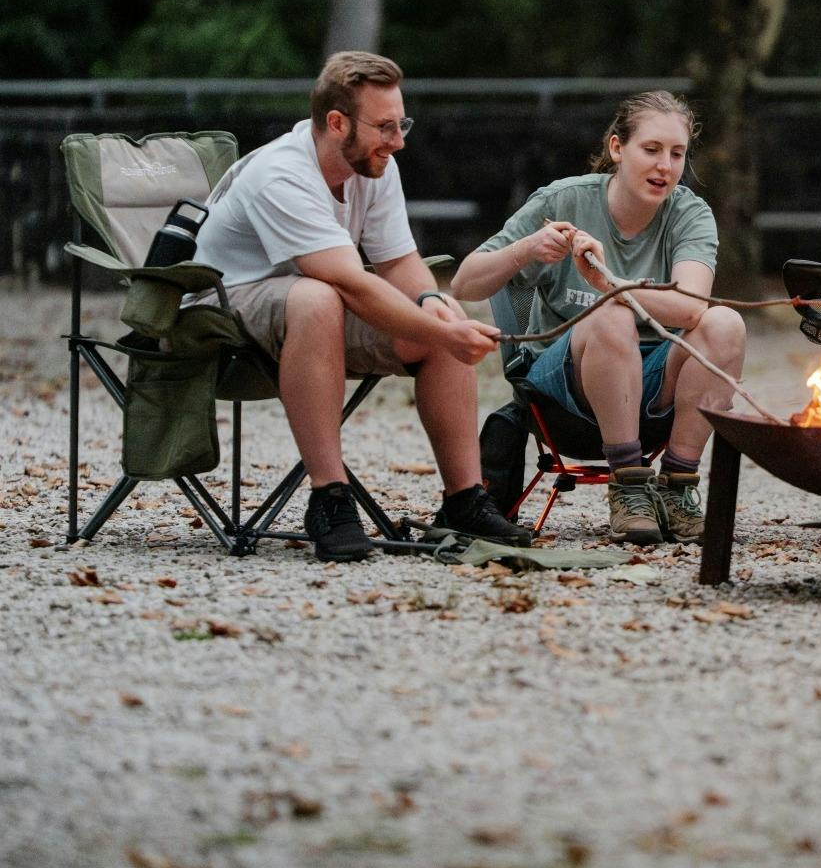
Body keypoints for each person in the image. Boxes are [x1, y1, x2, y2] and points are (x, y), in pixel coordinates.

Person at [194, 51, 531, 563]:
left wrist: (436, 304)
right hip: (217, 308)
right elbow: (351, 283)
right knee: (318, 296)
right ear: (337, 122)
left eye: (402, 124)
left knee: (439, 317)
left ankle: (464, 500)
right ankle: (329, 499)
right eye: (385, 127)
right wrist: (441, 329)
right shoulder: (281, 173)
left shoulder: (374, 167)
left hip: (310, 312)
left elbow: (399, 263)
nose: (398, 141)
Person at [450, 91, 744, 545]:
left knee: (726, 324)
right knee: (611, 318)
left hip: (654, 387)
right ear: (617, 148)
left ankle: (677, 488)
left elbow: (690, 307)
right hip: (563, 390)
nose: (665, 165)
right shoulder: (563, 202)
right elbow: (465, 284)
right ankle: (628, 486)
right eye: (651, 149)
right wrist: (526, 249)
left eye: (677, 153)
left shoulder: (689, 213)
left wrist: (608, 283)